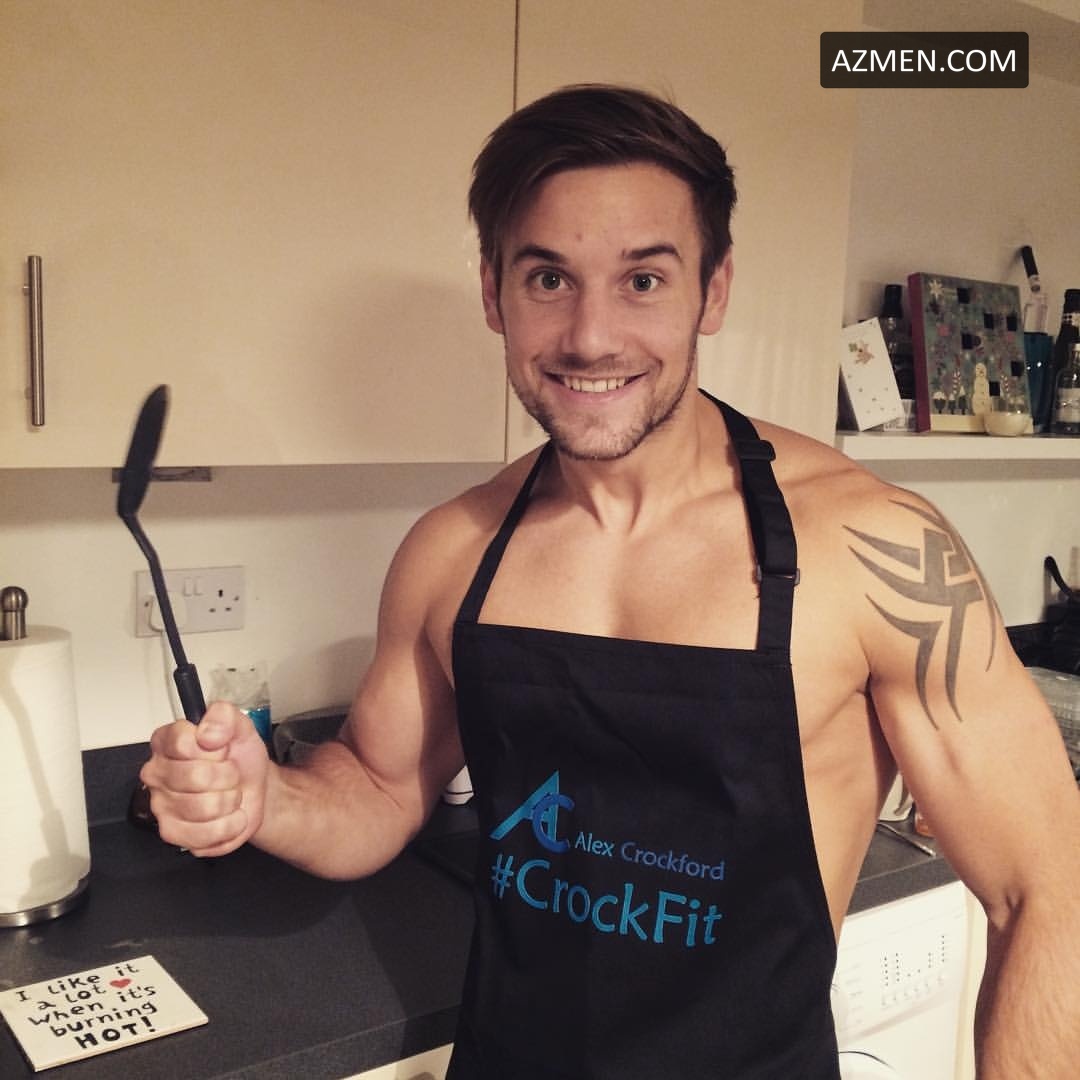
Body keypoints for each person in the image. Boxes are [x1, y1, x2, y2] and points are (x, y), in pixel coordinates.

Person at [141, 85, 1080, 1078]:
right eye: (549, 277)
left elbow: (1046, 888)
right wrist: (266, 800)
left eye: (643, 280)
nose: (591, 336)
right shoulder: (452, 551)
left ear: (713, 290)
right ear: (494, 293)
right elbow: (377, 785)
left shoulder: (873, 547)